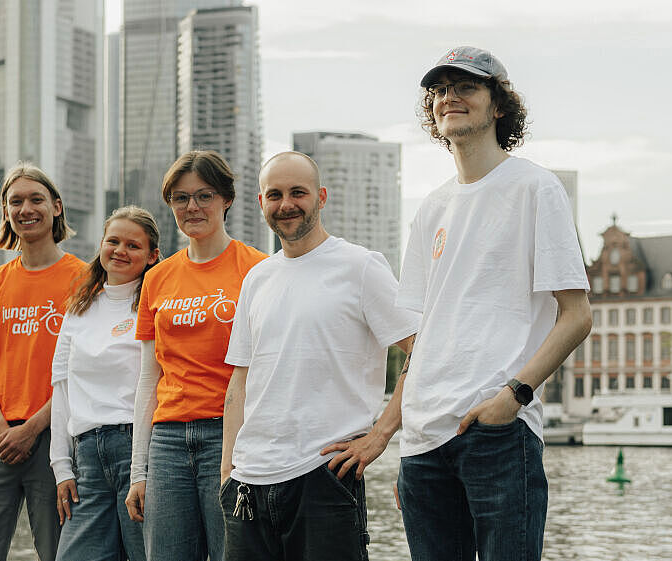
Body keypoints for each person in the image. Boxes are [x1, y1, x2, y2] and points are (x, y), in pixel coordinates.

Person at [391, 46, 593, 560]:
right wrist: (406, 440)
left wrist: (515, 395)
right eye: (439, 90)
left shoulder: (534, 188)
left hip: (497, 430)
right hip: (424, 442)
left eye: (466, 87)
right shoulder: (430, 207)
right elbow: (425, 331)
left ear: (499, 105)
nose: (449, 98)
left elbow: (576, 315)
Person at [219, 152, 419, 561]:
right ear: (261, 203)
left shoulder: (360, 267)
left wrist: (379, 436)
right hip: (248, 483)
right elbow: (239, 381)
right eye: (274, 194)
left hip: (324, 474)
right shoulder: (257, 278)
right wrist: (227, 471)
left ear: (321, 197)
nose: (286, 204)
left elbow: (423, 352)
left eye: (298, 192)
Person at [124, 150, 268, 561]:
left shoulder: (258, 269)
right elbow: (148, 379)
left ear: (226, 199)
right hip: (167, 443)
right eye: (181, 198)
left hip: (231, 437)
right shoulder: (156, 278)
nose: (192, 207)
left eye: (204, 196)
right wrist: (139, 471)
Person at [0, 163, 87, 561]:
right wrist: (1, 429)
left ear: (57, 207)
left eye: (36, 199)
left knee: (57, 551)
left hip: (55, 436)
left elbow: (80, 373)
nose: (26, 209)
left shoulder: (83, 278)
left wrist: (31, 429)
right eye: (16, 201)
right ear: (5, 212)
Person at [50, 206, 161, 561]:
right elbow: (62, 388)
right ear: (101, 245)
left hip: (137, 448)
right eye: (113, 241)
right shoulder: (78, 309)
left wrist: (141, 465)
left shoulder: (154, 304)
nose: (120, 251)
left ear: (152, 255)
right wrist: (61, 467)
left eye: (133, 245)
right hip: (87, 456)